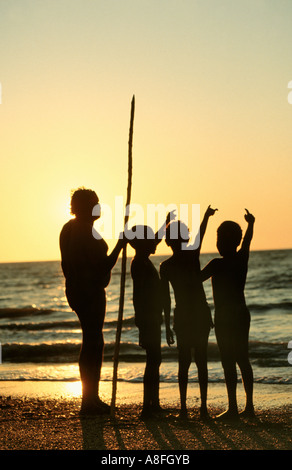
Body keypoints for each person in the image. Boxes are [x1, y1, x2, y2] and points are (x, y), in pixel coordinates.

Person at [59, 187, 126, 415]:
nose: (99, 206)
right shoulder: (83, 230)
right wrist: (121, 243)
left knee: (93, 340)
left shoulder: (69, 228)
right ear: (85, 206)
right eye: (95, 202)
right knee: (92, 341)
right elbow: (102, 265)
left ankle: (91, 398)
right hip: (88, 292)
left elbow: (67, 265)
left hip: (77, 290)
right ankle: (88, 400)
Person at [160, 205, 217, 419]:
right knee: (200, 361)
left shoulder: (166, 266)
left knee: (184, 363)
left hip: (183, 315)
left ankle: (185, 409)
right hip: (199, 314)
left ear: (168, 241)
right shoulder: (192, 255)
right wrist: (206, 217)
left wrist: (166, 326)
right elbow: (201, 234)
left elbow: (165, 299)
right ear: (185, 238)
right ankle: (202, 409)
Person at [201, 209, 255, 420]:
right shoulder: (241, 258)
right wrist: (251, 224)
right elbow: (248, 241)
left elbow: (195, 280)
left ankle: (234, 407)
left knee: (229, 360)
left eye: (219, 238)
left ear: (222, 242)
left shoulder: (216, 264)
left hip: (225, 315)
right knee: (242, 358)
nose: (219, 242)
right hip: (241, 313)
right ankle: (248, 407)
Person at [128, 213, 174, 419]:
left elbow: (154, 239)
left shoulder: (142, 259)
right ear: (143, 243)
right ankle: (148, 407)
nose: (157, 243)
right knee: (153, 359)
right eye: (151, 241)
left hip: (151, 317)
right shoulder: (139, 263)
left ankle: (153, 404)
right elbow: (141, 296)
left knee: (155, 360)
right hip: (147, 318)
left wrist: (165, 224)